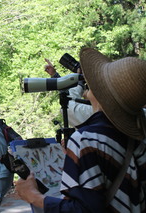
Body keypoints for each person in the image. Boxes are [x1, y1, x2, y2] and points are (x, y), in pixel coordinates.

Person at [16, 48, 146, 212]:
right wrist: (80, 159)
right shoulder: (137, 134)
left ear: (102, 92)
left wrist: (34, 196)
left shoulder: (88, 139)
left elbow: (84, 209)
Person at [44, 58, 93, 127]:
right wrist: (55, 75)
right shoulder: (101, 111)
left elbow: (69, 103)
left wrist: (79, 79)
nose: (85, 92)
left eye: (89, 89)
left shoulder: (92, 112)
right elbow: (70, 95)